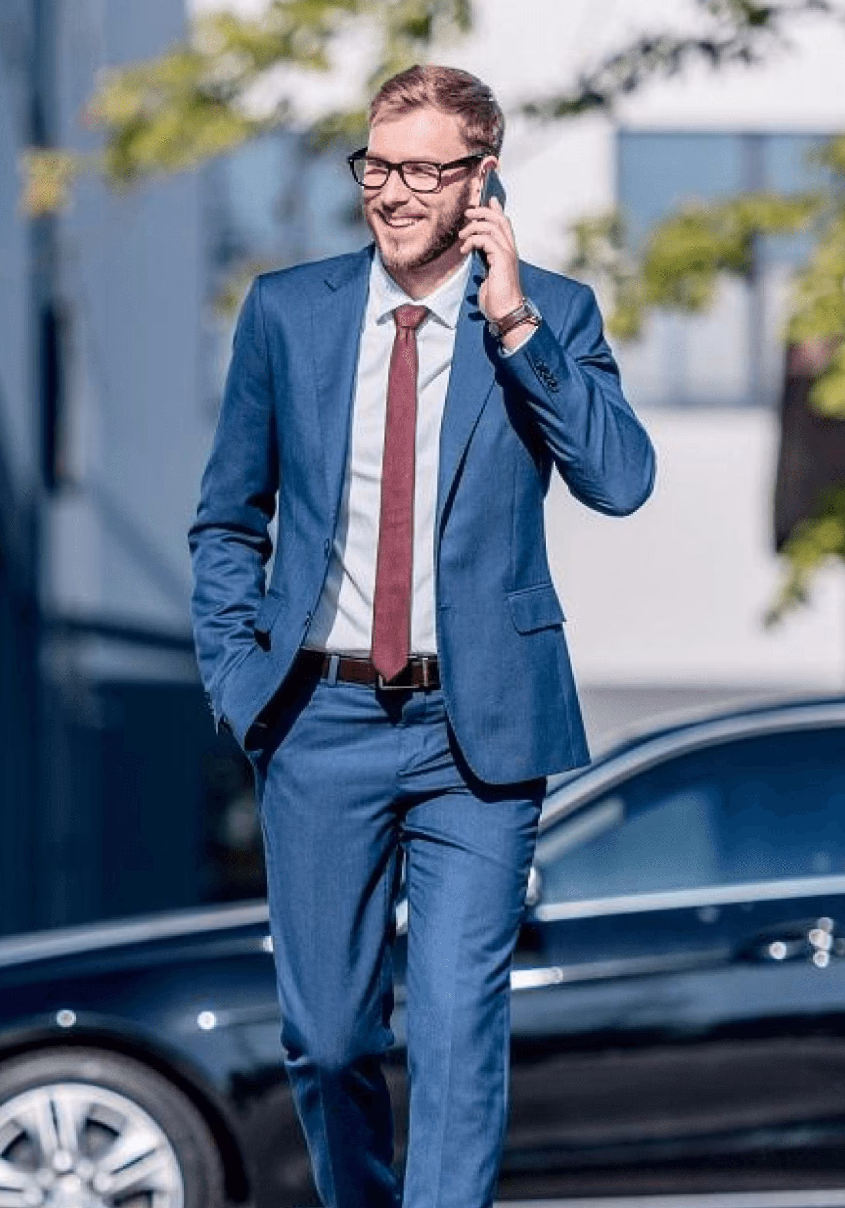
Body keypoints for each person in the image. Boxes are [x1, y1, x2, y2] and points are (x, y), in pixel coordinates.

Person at [188, 65, 655, 1208]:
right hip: (319, 719)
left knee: (454, 1029)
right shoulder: (288, 313)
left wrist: (516, 325)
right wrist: (238, 681)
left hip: (478, 736)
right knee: (332, 1038)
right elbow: (226, 517)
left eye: (422, 170)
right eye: (376, 166)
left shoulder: (553, 311)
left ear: (479, 180)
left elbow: (621, 479)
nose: (391, 193)